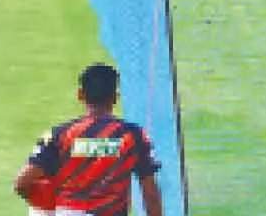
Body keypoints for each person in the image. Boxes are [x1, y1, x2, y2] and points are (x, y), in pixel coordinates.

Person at [14, 63, 163, 216]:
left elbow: (22, 184)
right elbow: (150, 195)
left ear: (80, 95)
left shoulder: (59, 135)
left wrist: (48, 206)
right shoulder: (134, 136)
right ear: (115, 97)